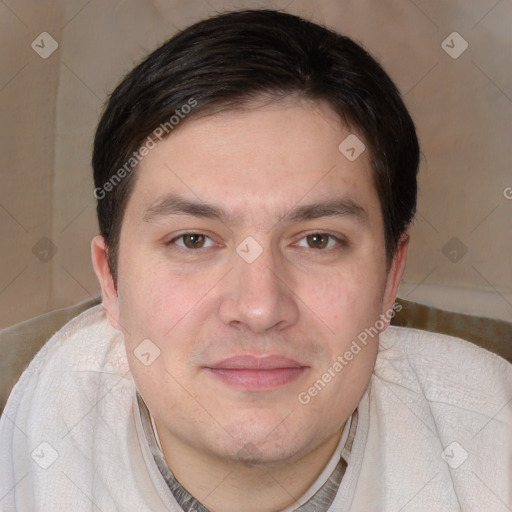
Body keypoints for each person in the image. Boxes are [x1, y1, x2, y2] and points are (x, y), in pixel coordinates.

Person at [1, 9, 510, 512]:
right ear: (110, 280)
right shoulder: (26, 450)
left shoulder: (491, 441)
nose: (260, 308)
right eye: (194, 240)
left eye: (317, 241)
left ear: (390, 277)